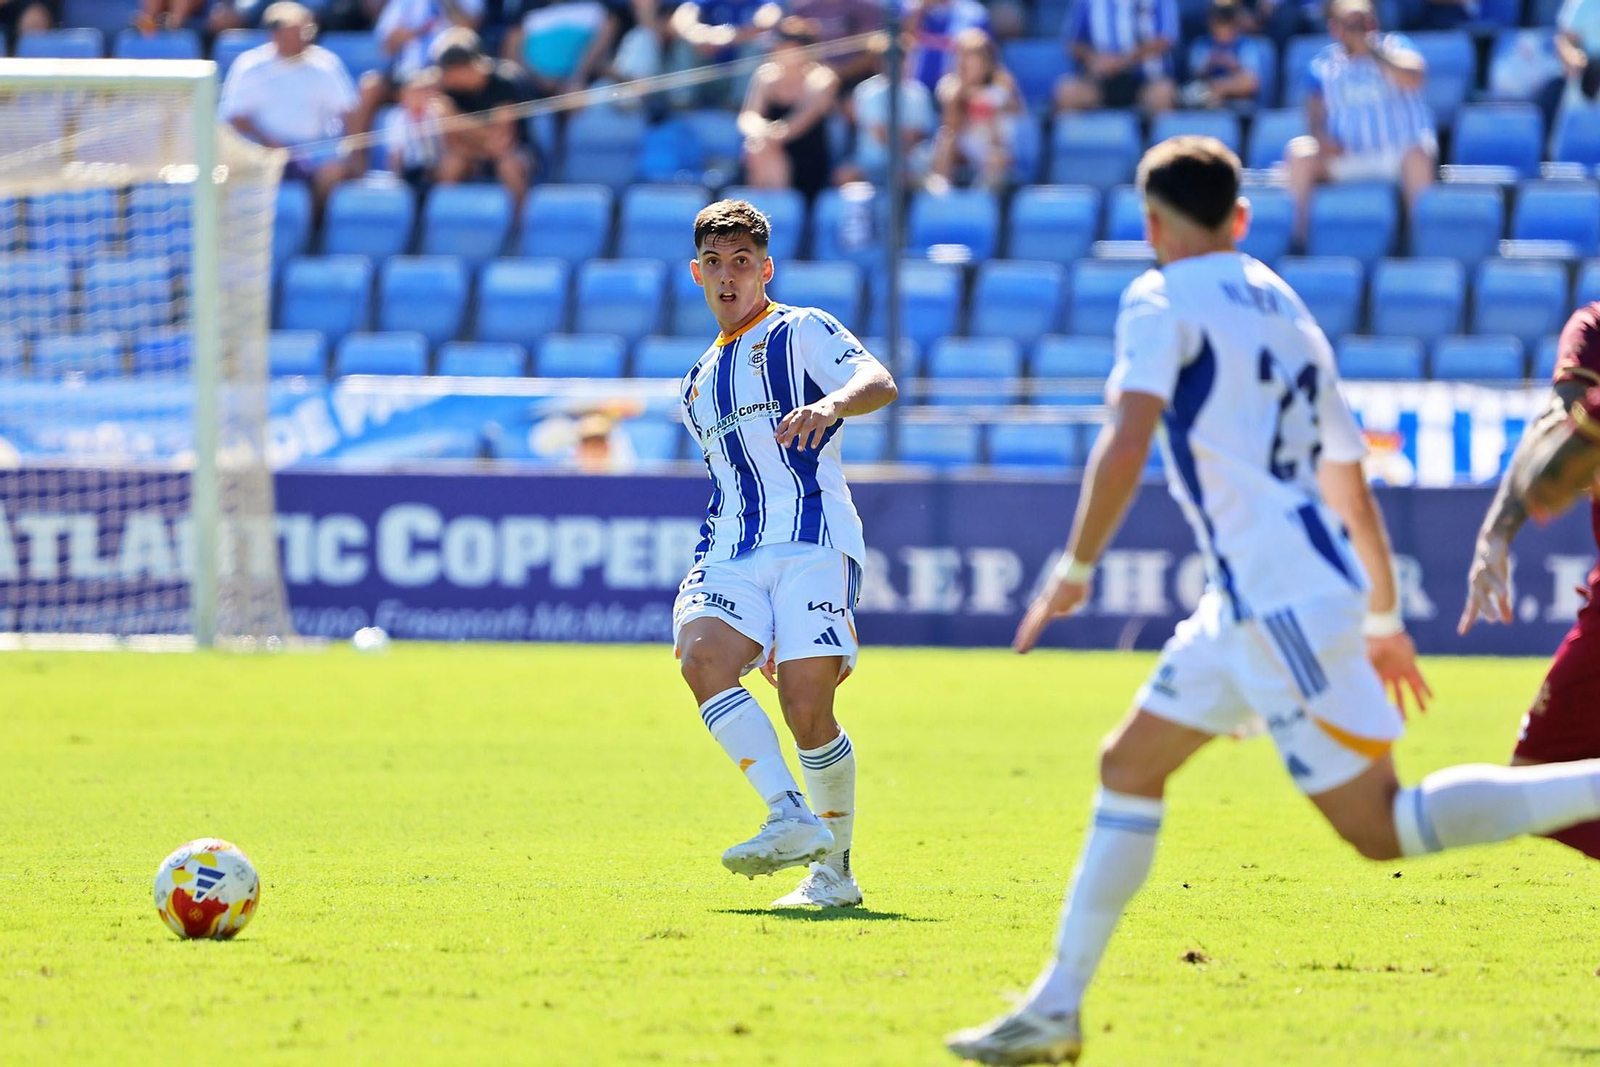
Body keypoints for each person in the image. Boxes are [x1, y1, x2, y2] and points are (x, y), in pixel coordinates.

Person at [945, 135, 1600, 1066]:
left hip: (1275, 596)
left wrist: (1076, 565)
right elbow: (1352, 482)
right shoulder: (1291, 312)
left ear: (1152, 226)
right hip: (1261, 592)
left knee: (1382, 826)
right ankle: (1056, 1007)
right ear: (1241, 218)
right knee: (1129, 764)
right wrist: (1380, 617)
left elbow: (1128, 438)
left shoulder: (1159, 295)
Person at [674, 199, 897, 907]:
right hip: (733, 548)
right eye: (714, 264)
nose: (728, 277)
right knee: (700, 655)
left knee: (806, 705)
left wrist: (830, 406)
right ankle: (787, 813)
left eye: (742, 262)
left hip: (812, 540)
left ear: (765, 268)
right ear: (697, 274)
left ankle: (834, 875)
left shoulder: (801, 330)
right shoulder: (695, 383)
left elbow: (878, 382)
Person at [1459, 302, 1600, 861]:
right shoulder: (1593, 333)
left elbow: (1552, 468)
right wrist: (1496, 533)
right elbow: (1557, 440)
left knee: (1536, 776)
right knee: (1538, 778)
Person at [1285, 0, 1434, 246]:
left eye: (1362, 23)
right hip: (1347, 154)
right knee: (1300, 153)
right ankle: (1297, 241)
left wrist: (1374, 52)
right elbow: (1314, 115)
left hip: (1394, 154)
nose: (1356, 30)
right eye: (1349, 24)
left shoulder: (1395, 46)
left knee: (1418, 155)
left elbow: (1415, 76)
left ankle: (1415, 242)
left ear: (1373, 23)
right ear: (1335, 28)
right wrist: (1321, 139)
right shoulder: (1322, 65)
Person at [218, 1, 357, 211]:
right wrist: (270, 143)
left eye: (305, 30)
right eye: (294, 31)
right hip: (260, 152)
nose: (302, 37)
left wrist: (354, 156)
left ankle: (314, 232)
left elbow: (349, 112)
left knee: (332, 173)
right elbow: (235, 118)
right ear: (275, 33)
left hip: (315, 154)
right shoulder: (250, 66)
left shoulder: (325, 65)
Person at [348, 0, 485, 142]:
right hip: (404, 74)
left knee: (417, 90)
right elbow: (386, 46)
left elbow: (469, 26)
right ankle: (356, 161)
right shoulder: (403, 3)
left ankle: (419, 160)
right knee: (370, 86)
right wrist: (417, 30)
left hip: (442, 72)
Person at [739, 18, 839, 199]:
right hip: (768, 147)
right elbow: (748, 116)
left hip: (807, 156)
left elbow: (800, 122)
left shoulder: (821, 79)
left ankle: (771, 213)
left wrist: (769, 137)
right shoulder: (765, 75)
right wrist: (762, 133)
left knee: (761, 150)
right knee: (758, 149)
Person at [433, 29, 536, 204]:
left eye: (449, 72)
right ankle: (446, 224)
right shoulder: (450, 91)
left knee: (509, 165)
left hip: (517, 151)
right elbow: (452, 142)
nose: (445, 78)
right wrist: (476, 146)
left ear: (464, 67)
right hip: (470, 152)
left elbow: (502, 142)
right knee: (451, 164)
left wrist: (456, 118)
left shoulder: (505, 80)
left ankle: (520, 225)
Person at [929, 27, 1021, 190]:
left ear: (986, 62)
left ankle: (979, 203)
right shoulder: (949, 86)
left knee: (996, 157)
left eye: (971, 56)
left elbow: (1014, 118)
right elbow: (951, 124)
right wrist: (963, 91)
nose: (963, 61)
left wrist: (986, 103)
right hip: (962, 149)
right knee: (945, 139)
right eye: (960, 55)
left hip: (992, 147)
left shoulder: (1002, 87)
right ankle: (940, 192)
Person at [1054, 0, 1179, 114]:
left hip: (1146, 81)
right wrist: (1094, 59)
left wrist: (1123, 61)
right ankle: (1079, 138)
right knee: (1067, 93)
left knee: (1164, 94)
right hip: (1101, 80)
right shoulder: (1088, 2)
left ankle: (1155, 137)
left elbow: (1166, 39)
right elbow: (1072, 42)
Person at [834, 68, 937, 187]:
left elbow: (917, 135)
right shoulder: (867, 91)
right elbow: (880, 134)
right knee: (844, 175)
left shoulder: (919, 93)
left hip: (909, 165)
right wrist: (903, 136)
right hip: (869, 165)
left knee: (917, 180)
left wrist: (897, 138)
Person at [499, 0, 621, 96]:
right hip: (533, 91)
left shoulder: (598, 9)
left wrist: (578, 77)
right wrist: (539, 81)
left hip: (585, 86)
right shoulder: (527, 11)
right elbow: (510, 50)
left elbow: (609, 29)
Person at [1179, 0, 1260, 108]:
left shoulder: (1246, 45)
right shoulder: (1200, 45)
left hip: (1237, 101)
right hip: (1204, 98)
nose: (1223, 26)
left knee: (1245, 84)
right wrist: (1210, 64)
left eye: (1227, 20)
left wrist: (1232, 66)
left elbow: (1252, 83)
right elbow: (1193, 78)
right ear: (1210, 22)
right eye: (1219, 20)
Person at [904, 0, 989, 93]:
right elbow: (904, 39)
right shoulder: (915, 9)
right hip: (919, 91)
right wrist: (918, 12)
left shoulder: (974, 13)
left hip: (957, 93)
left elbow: (985, 56)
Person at [381, 66, 445, 185]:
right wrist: (396, 178)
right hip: (409, 168)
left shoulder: (436, 113)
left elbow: (443, 145)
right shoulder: (396, 117)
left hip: (434, 167)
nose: (418, 96)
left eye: (422, 91)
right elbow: (395, 152)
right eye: (413, 92)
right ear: (403, 94)